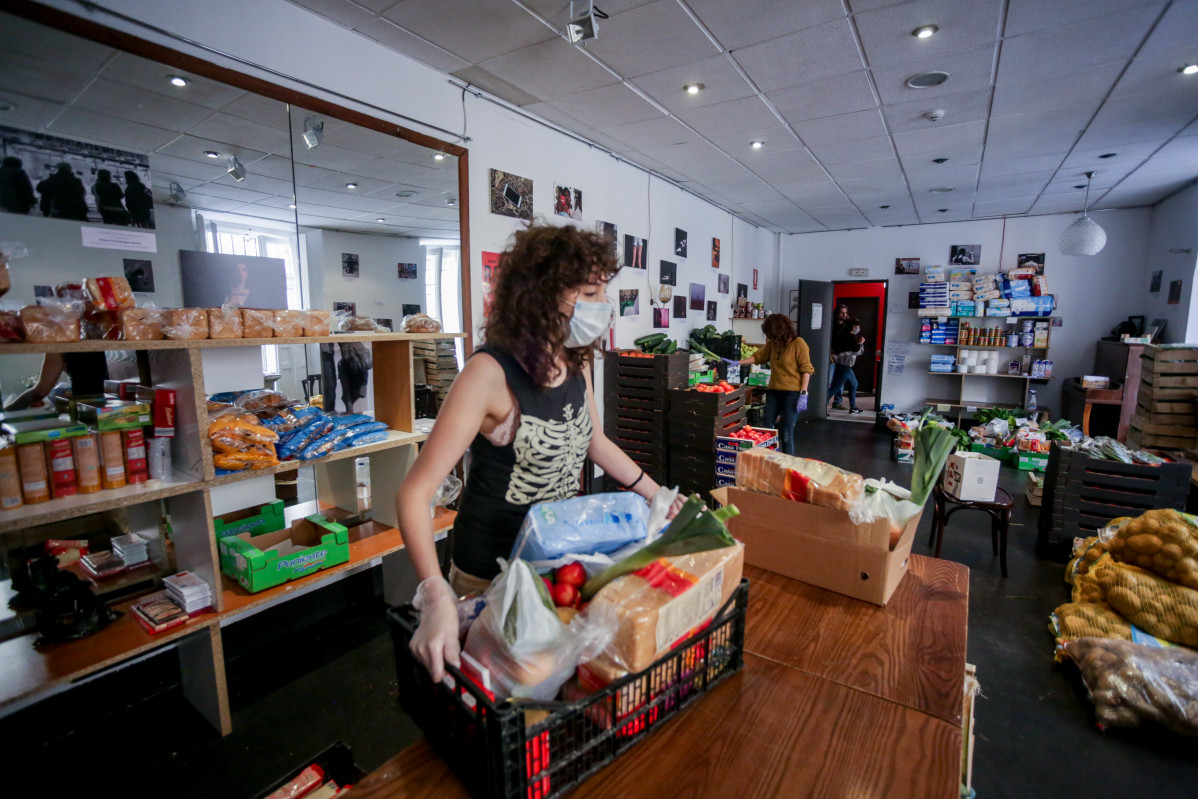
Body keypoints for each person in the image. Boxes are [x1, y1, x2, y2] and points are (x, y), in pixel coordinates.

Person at [400, 223, 683, 682]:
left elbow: (595, 440)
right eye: (589, 292)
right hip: (490, 570)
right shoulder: (488, 375)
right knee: (500, 692)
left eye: (602, 292)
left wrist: (660, 498)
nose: (601, 306)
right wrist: (435, 597)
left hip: (555, 552)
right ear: (540, 294)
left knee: (549, 683)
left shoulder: (577, 358)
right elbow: (414, 494)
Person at [733, 313, 814, 456]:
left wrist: (803, 393)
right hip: (774, 392)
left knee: (786, 432)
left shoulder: (799, 344)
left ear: (779, 331)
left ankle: (788, 464)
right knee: (766, 428)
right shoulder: (773, 344)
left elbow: (806, 369)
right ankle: (769, 459)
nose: (768, 337)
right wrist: (738, 363)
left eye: (770, 333)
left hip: (793, 393)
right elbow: (759, 356)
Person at [828, 318, 866, 414]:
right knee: (836, 387)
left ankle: (853, 407)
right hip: (845, 365)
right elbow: (857, 351)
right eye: (858, 326)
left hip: (841, 363)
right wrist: (861, 343)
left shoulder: (842, 335)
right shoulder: (851, 336)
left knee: (854, 384)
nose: (859, 328)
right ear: (853, 327)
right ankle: (819, 406)